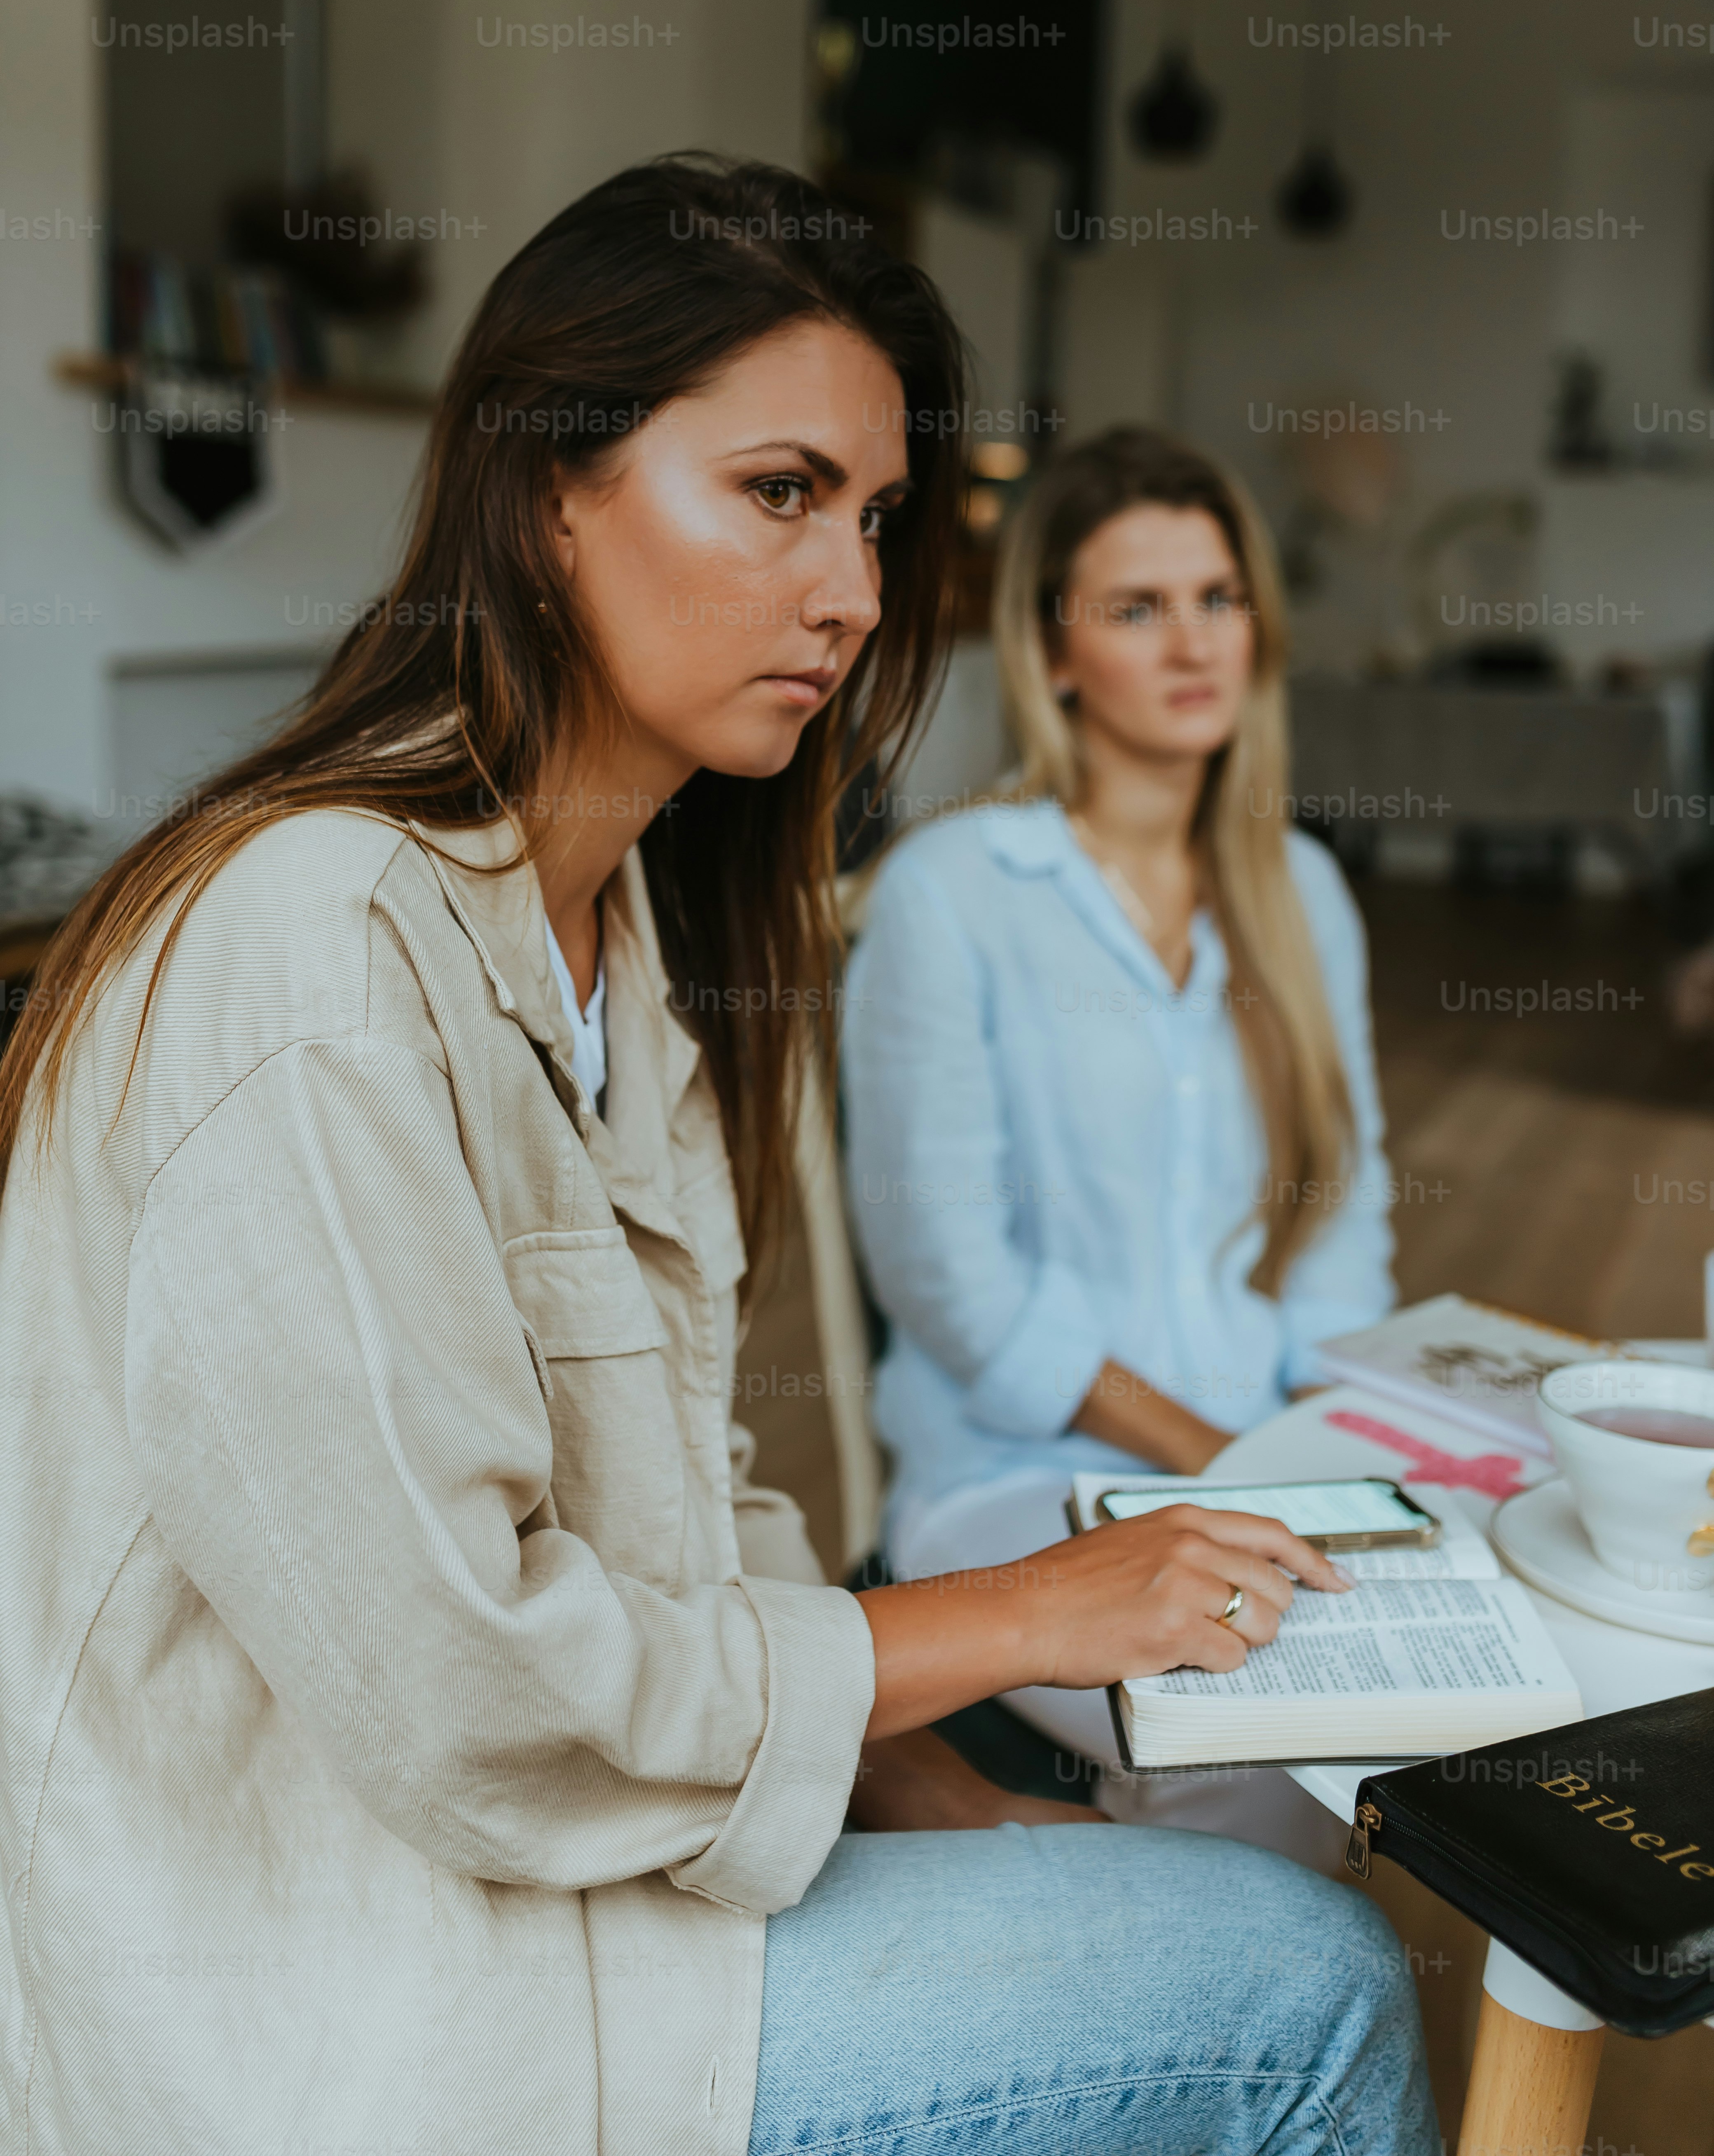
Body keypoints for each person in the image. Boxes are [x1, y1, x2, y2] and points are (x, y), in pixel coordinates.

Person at [0, 170, 1433, 2156]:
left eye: (871, 521)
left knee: (1200, 1907)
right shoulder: (313, 949)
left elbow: (689, 1504)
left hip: (589, 1901)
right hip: (360, 2003)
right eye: (777, 493)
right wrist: (1027, 1616)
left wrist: (939, 1802)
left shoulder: (620, 944)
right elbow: (466, 1685)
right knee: (1308, 1989)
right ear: (547, 489)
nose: (848, 592)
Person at [842, 428, 1397, 1818]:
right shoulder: (955, 888)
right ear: (1057, 652)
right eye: (1139, 609)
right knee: (1265, 1711)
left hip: (1266, 1455)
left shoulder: (1304, 892)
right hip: (1017, 1487)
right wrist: (1223, 1463)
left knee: (1456, 1652)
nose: (1193, 640)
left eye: (1217, 599)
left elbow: (1345, 1222)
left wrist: (1331, 1446)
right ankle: (1221, 2013)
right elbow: (950, 1281)